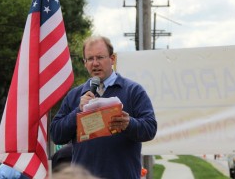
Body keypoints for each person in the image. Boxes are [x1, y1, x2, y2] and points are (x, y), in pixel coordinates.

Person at [50, 35, 157, 179]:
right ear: (84, 63)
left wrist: (129, 123)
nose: (95, 63)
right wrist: (78, 111)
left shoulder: (133, 91)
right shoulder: (75, 96)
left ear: (112, 59)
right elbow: (56, 134)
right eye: (90, 59)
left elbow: (150, 129)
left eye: (100, 57)